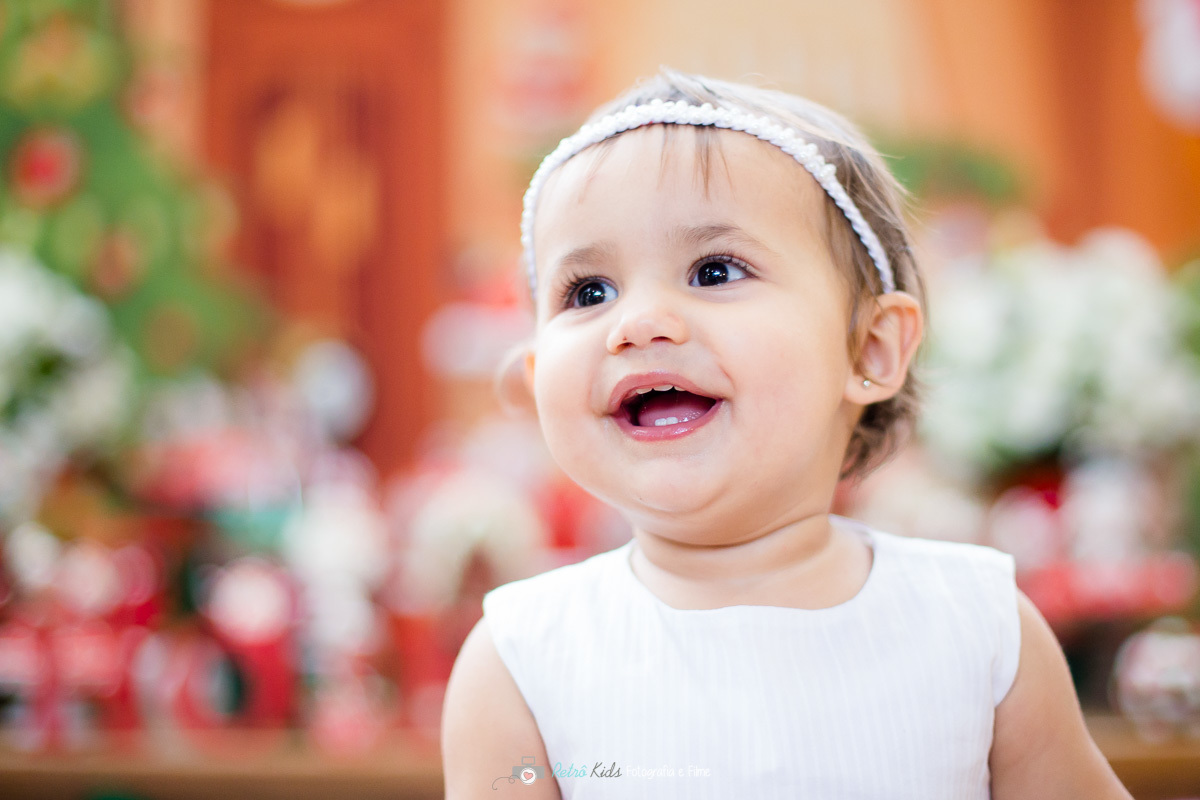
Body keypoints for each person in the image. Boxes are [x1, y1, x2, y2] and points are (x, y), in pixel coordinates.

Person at [441, 69, 1133, 799]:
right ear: (534, 368)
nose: (637, 322)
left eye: (713, 270)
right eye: (588, 292)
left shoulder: (979, 629)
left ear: (868, 348)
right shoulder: (523, 661)